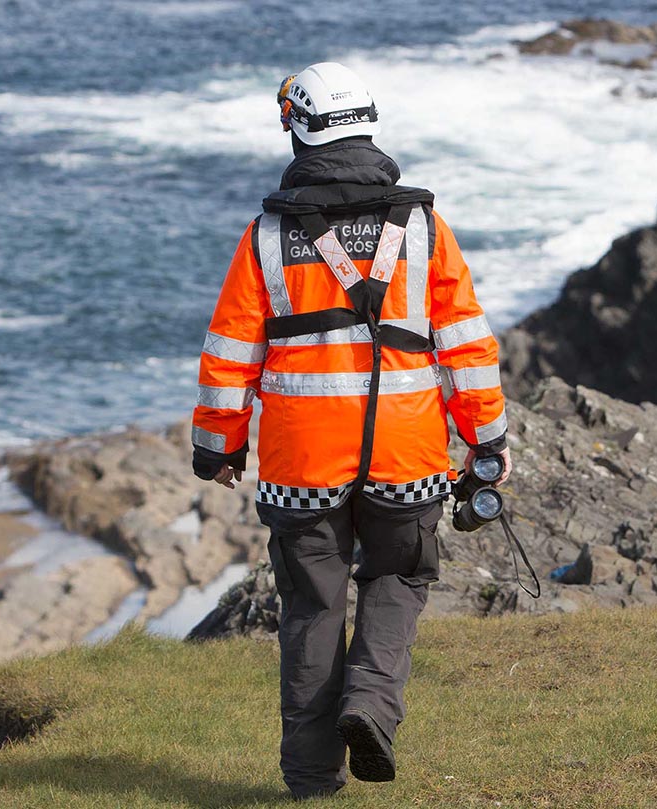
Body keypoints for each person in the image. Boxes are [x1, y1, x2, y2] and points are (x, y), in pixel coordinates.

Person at [191, 61, 510, 799]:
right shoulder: (424, 226)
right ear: (367, 122)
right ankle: (369, 703)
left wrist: (220, 445)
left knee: (311, 606)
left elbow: (232, 347)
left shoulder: (267, 235)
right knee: (399, 576)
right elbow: (466, 342)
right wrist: (487, 439)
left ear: (297, 126)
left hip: (302, 463)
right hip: (407, 453)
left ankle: (310, 780)